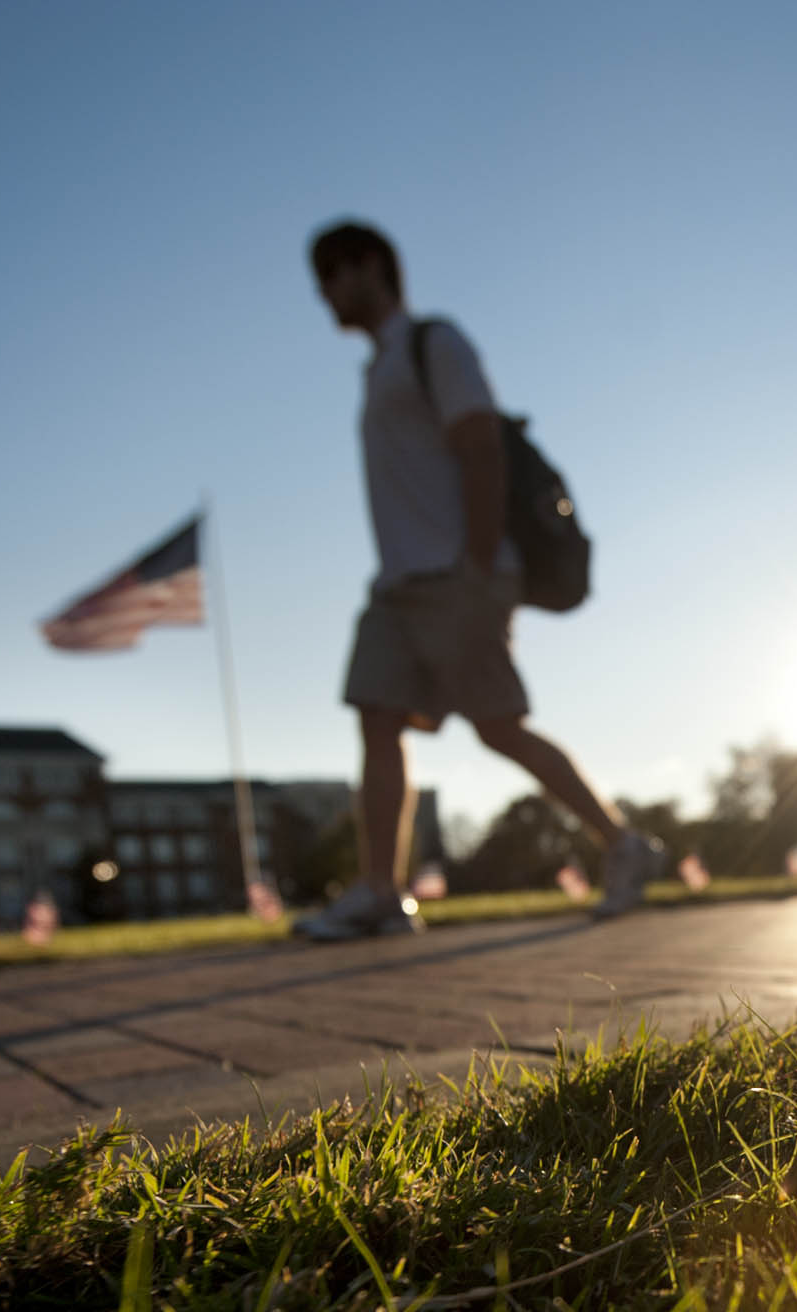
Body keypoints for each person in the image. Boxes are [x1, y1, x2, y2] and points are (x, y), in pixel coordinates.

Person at [292, 220, 663, 940]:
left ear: (374, 267)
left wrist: (478, 566)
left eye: (335, 272)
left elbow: (480, 447)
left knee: (497, 726)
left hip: (461, 574)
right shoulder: (375, 372)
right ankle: (381, 892)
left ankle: (623, 845)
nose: (325, 292)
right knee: (375, 717)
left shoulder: (435, 344)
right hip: (396, 586)